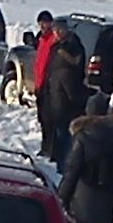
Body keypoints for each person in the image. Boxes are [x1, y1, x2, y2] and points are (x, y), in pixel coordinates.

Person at [37, 17, 88, 166]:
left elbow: (73, 72)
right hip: (54, 96)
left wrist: (77, 98)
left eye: (60, 29)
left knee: (65, 135)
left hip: (66, 99)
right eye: (55, 30)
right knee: (57, 133)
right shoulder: (56, 46)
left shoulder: (73, 46)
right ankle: (57, 159)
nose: (57, 33)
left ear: (66, 29)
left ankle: (65, 165)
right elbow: (48, 70)